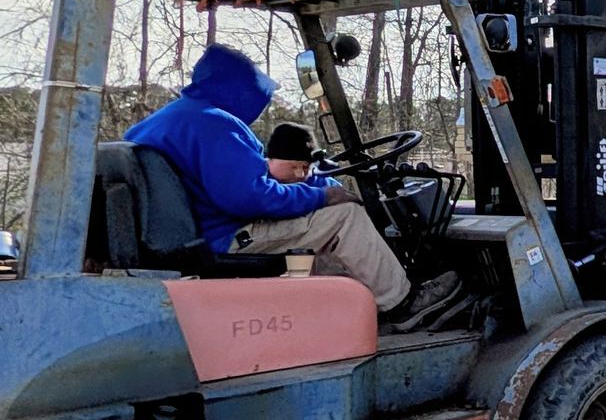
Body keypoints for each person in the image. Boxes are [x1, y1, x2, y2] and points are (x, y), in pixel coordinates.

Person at [126, 45, 461, 331]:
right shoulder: (213, 122)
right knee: (345, 216)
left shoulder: (165, 120)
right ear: (237, 87)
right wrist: (324, 194)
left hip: (193, 235)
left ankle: (348, 312)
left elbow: (254, 178)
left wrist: (315, 184)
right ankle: (402, 303)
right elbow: (250, 197)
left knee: (322, 228)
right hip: (225, 236)